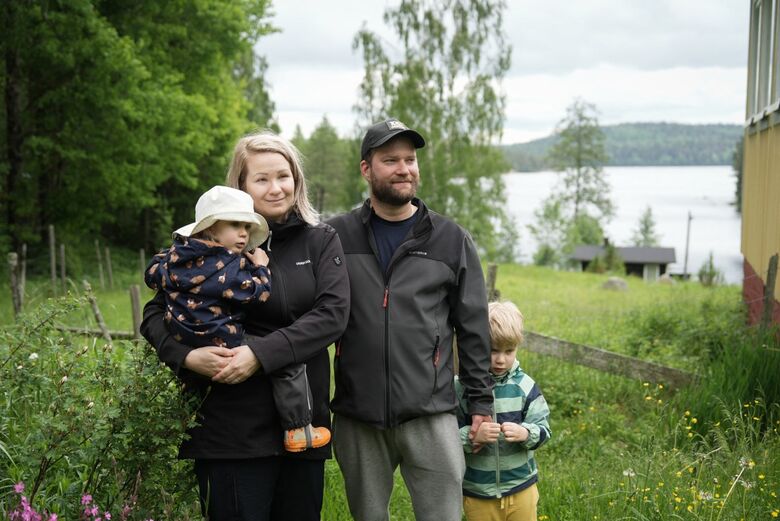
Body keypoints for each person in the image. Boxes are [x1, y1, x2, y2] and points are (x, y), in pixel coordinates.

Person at [140, 131, 350, 521]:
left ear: (297, 180)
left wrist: (259, 354)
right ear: (239, 188)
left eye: (284, 176)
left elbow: (332, 316)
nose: (276, 188)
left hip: (302, 426)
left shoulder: (319, 240)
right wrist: (186, 357)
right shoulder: (205, 248)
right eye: (261, 179)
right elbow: (154, 316)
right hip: (228, 427)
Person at [327, 117, 494, 521]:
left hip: (431, 412)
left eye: (410, 159)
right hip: (358, 414)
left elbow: (473, 327)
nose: (404, 169)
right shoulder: (335, 236)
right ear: (366, 169)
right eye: (390, 160)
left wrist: (481, 405)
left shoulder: (450, 239)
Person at [144, 185, 331, 453]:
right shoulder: (228, 264)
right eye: (235, 225)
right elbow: (257, 294)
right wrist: (261, 267)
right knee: (287, 363)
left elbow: (152, 275)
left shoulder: (172, 257)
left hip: (182, 335)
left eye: (246, 227)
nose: (244, 234)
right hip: (221, 335)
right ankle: (299, 428)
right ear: (210, 229)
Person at [456, 300, 552, 521]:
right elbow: (446, 435)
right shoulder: (462, 387)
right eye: (493, 350)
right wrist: (471, 436)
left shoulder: (525, 386)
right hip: (478, 492)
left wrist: (526, 434)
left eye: (509, 351)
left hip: (521, 489)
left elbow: (544, 429)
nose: (501, 359)